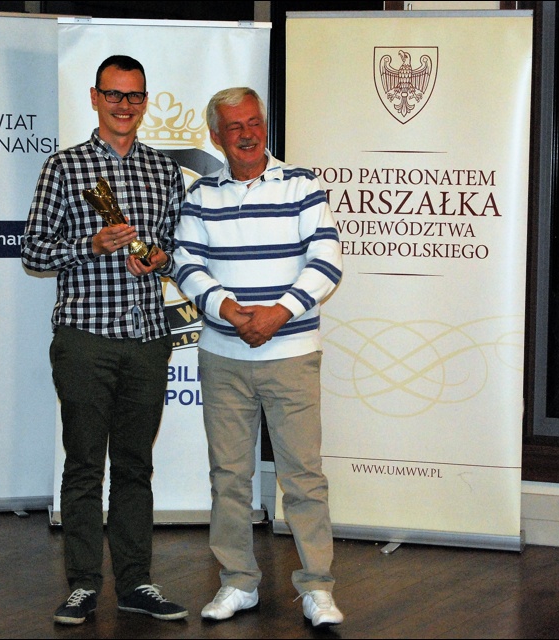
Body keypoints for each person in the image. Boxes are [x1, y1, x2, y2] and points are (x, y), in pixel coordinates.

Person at [21, 55, 187, 625]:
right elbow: (33, 250)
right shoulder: (64, 167)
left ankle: (137, 582)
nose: (124, 106)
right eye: (114, 95)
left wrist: (160, 258)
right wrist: (90, 246)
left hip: (147, 339)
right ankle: (84, 584)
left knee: (136, 466)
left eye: (134, 96)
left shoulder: (164, 170)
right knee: (85, 465)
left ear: (145, 101)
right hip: (85, 339)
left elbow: (179, 245)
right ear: (94, 98)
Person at [173, 87, 345, 628]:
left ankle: (317, 588)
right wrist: (228, 309)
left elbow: (326, 260)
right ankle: (237, 582)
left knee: (303, 477)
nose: (247, 134)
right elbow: (185, 262)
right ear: (215, 136)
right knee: (229, 475)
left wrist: (278, 313)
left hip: (291, 353)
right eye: (235, 126)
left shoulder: (302, 185)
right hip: (223, 356)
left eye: (254, 122)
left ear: (264, 127)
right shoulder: (201, 194)